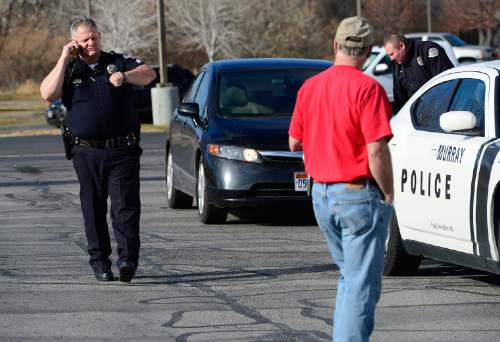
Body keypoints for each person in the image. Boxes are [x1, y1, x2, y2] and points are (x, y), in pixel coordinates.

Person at [289, 17, 394, 342]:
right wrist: (389, 193)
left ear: (335, 46)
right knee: (361, 284)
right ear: (368, 52)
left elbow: (294, 142)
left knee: (351, 278)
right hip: (357, 195)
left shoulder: (311, 87)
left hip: (321, 195)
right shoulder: (368, 88)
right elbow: (376, 150)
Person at [40, 17, 156, 282]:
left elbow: (149, 74)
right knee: (92, 207)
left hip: (122, 149)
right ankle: (100, 261)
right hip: (86, 152)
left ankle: (127, 260)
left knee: (125, 206)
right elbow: (48, 94)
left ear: (100, 36)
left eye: (94, 37)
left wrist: (125, 76)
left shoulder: (118, 60)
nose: (91, 42)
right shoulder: (69, 69)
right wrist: (63, 58)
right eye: (84, 39)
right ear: (74, 43)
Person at [384, 33, 454, 113]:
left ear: (402, 46)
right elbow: (398, 94)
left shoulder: (427, 50)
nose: (391, 58)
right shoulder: (397, 61)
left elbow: (447, 84)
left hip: (437, 112)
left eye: (392, 54)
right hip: (412, 115)